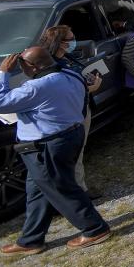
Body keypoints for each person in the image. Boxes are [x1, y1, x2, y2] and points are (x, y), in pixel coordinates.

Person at [0, 47, 111, 255]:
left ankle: (95, 228)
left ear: (33, 66)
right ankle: (31, 239)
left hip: (47, 146)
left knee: (62, 187)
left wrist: (2, 73)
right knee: (38, 191)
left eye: (22, 65)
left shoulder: (36, 87)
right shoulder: (70, 74)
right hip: (69, 133)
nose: (21, 69)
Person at [38, 25, 101, 197]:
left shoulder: (67, 58)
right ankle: (78, 191)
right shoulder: (50, 66)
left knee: (79, 151)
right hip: (71, 114)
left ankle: (78, 186)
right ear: (60, 43)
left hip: (81, 108)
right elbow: (61, 92)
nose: (74, 42)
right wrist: (90, 88)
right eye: (70, 39)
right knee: (74, 153)